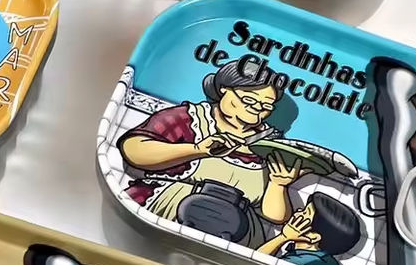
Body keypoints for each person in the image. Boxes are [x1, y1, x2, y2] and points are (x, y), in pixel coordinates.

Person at [118, 56, 304, 249]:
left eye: (265, 107)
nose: (256, 110)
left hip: (234, 242)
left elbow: (275, 216)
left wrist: (279, 184)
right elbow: (133, 150)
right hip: (164, 218)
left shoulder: (270, 145)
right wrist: (198, 149)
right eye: (248, 100)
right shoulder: (190, 118)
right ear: (224, 89)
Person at [256, 193, 361, 265]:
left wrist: (283, 237)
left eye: (305, 213)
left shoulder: (305, 262)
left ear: (314, 237)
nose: (298, 213)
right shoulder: (325, 260)